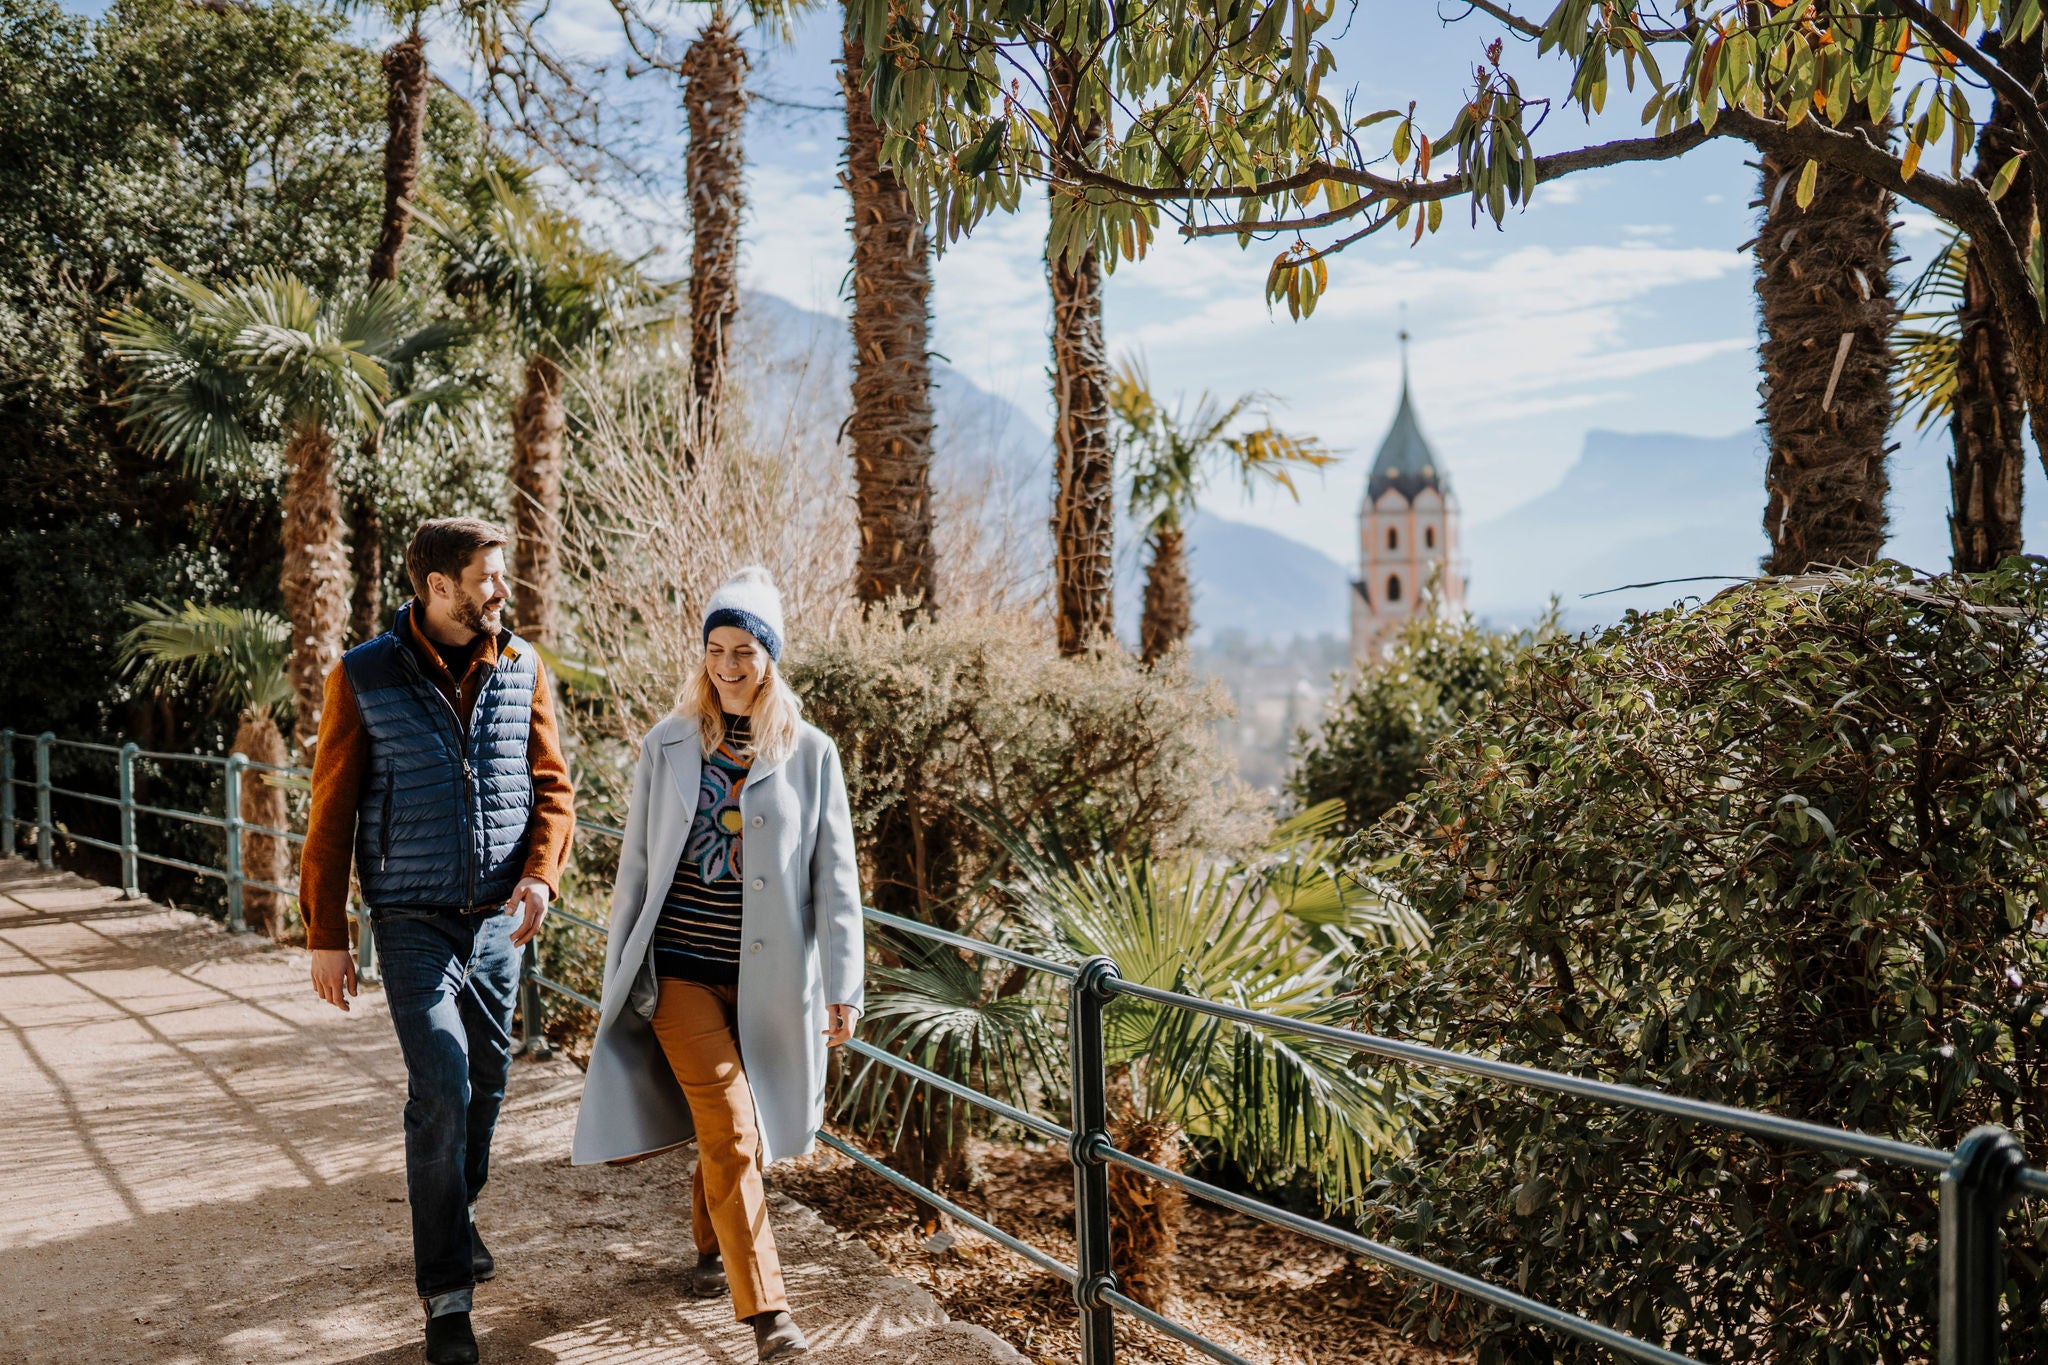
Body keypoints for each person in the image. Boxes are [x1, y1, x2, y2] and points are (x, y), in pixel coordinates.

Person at [572, 565, 863, 1363]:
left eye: (744, 650)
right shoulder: (666, 744)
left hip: (769, 982)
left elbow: (836, 883)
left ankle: (710, 1241)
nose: (727, 666)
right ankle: (769, 1316)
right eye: (714, 649)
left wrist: (844, 987)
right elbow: (635, 869)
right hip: (679, 976)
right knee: (734, 1127)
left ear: (770, 658)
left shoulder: (810, 755)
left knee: (734, 1129)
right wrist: (617, 975)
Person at [303, 517, 576, 1365]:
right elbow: (331, 809)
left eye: (501, 576)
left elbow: (554, 790)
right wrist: (325, 931)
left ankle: (457, 1211)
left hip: (500, 918)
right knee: (444, 1086)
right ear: (439, 587)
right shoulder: (364, 676)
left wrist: (540, 874)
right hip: (412, 918)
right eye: (487, 577)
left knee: (489, 1083)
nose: (502, 590)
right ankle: (447, 1299)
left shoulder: (522, 665)